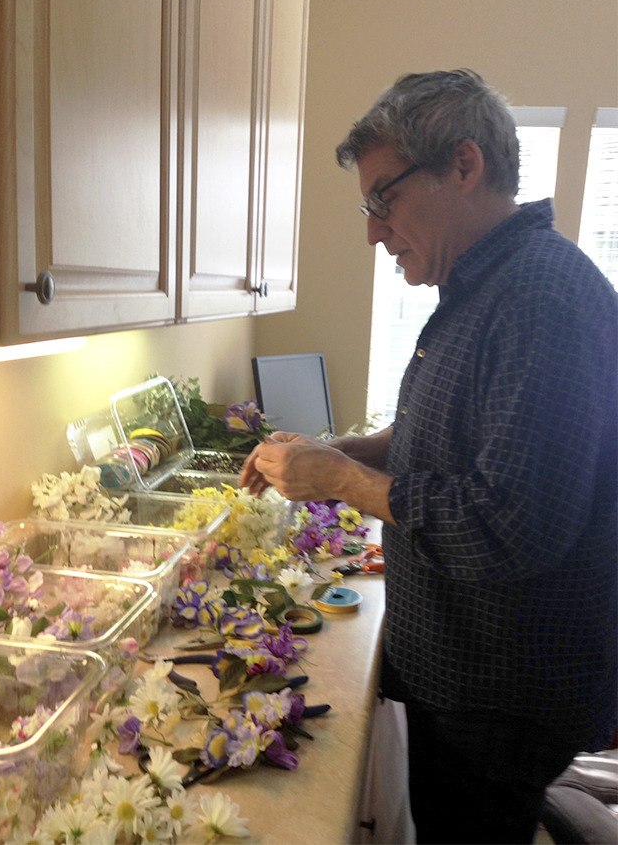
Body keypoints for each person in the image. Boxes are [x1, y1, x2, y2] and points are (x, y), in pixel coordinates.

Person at [241, 69, 617, 844]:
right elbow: (433, 440)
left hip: (500, 695)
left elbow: (509, 522)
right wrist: (339, 450)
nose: (374, 229)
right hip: (468, 678)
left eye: (385, 197)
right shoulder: (480, 290)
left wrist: (342, 479)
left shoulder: (540, 297)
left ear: (465, 166)